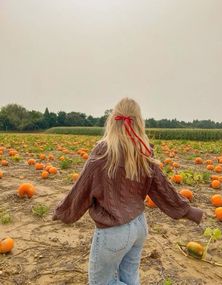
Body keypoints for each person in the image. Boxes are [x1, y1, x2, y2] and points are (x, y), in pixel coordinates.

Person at [52, 97, 204, 285]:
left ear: (112, 120)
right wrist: (188, 211)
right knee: (130, 278)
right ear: (139, 122)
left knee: (103, 283)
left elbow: (82, 187)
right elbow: (162, 187)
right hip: (139, 226)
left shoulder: (104, 151)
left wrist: (63, 212)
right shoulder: (144, 152)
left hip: (114, 231)